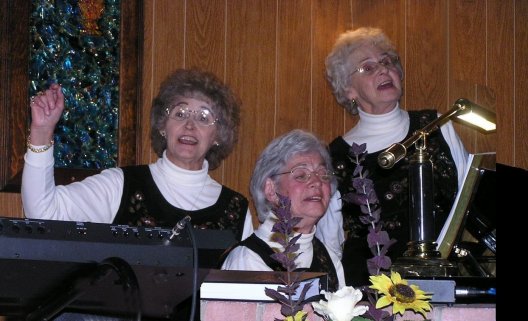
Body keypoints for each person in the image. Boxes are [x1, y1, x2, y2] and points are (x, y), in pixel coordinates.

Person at [22, 68, 254, 320]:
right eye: (180, 113)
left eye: (204, 116)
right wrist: (41, 132)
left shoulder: (236, 208)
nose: (190, 124)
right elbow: (42, 212)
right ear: (163, 126)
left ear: (218, 135)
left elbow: (244, 299)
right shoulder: (120, 184)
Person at [316, 27, 469, 286]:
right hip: (372, 286)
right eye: (368, 67)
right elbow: (329, 238)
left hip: (446, 274)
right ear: (349, 90)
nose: (383, 70)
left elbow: (470, 196)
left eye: (387, 62)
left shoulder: (436, 126)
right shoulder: (337, 156)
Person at [221, 129, 346, 291]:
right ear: (271, 190)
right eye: (301, 175)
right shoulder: (248, 260)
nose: (317, 182)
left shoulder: (329, 259)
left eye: (323, 175)